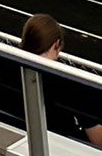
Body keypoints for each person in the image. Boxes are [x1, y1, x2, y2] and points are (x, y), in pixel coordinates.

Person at [20, 16, 102, 147]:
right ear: (56, 44)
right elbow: (97, 138)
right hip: (60, 146)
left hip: (17, 134)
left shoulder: (4, 63)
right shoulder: (69, 83)